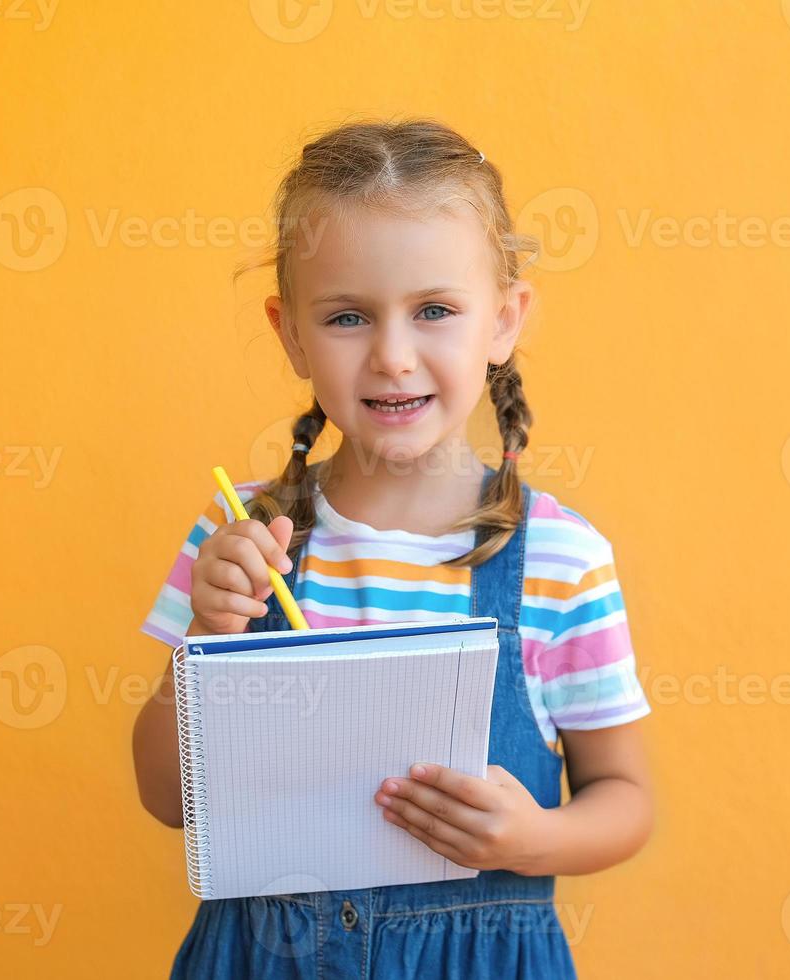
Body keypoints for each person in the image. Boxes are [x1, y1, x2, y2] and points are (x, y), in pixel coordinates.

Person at [129, 117, 653, 978]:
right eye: (346, 317)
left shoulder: (561, 560)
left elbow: (625, 801)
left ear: (504, 321)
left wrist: (535, 838)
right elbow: (165, 797)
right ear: (291, 333)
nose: (393, 357)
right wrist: (208, 642)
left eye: (436, 311)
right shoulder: (240, 547)